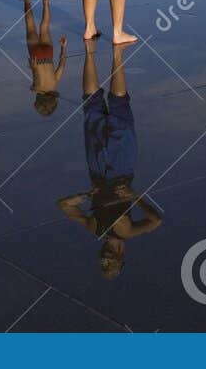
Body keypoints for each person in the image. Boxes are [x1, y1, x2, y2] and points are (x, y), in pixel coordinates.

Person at [55, 39, 162, 279]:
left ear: (120, 254)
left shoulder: (127, 231)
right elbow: (63, 205)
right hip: (96, 168)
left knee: (119, 108)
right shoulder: (95, 228)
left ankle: (117, 54)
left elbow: (156, 221)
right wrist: (85, 196)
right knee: (92, 106)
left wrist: (135, 197)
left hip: (122, 168)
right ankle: (89, 50)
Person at [23, 0, 67, 116]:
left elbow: (62, 66)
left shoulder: (55, 83)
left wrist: (63, 48)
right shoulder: (36, 88)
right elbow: (36, 77)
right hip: (36, 58)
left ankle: (46, 2)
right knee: (30, 27)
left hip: (48, 55)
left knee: (44, 27)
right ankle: (27, 1)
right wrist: (34, 68)